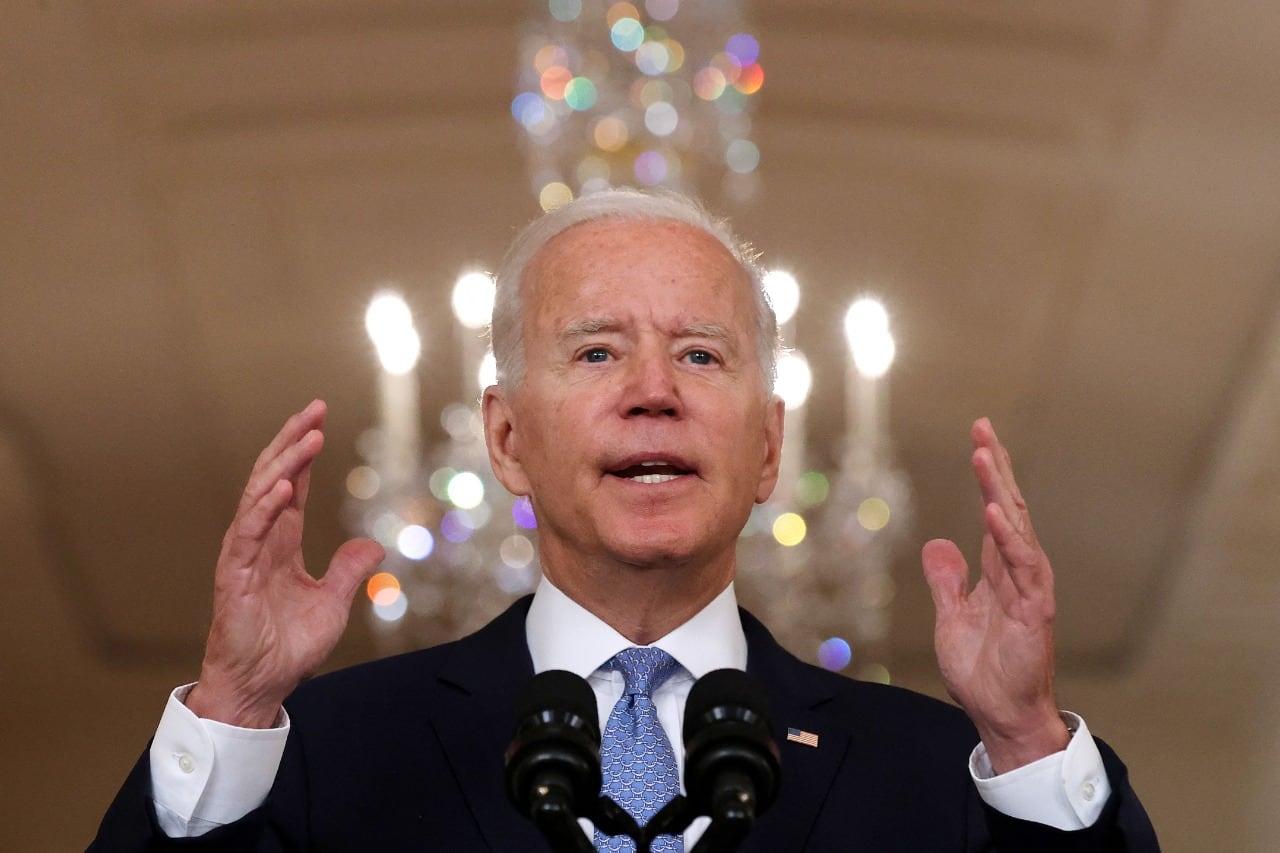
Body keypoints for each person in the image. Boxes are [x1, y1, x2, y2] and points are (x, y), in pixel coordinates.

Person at [91, 189, 1159, 851]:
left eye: (699, 353)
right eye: (596, 351)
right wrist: (230, 711)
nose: (654, 390)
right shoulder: (325, 751)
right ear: (504, 438)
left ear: (767, 449)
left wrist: (1023, 742)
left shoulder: (940, 771)